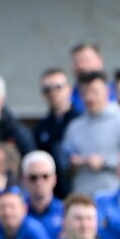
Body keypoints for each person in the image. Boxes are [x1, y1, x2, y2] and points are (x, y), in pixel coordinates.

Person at [62, 71, 120, 197]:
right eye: (85, 93)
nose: (90, 98)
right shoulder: (74, 127)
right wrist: (75, 164)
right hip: (83, 198)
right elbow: (64, 162)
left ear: (107, 92)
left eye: (95, 92)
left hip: (116, 199)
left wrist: (105, 162)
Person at [34, 68, 79, 198]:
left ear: (69, 89)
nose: (53, 93)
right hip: (53, 193)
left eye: (58, 87)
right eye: (47, 89)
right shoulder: (42, 126)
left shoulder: (80, 121)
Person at [20, 150, 64, 239]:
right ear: (24, 180)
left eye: (45, 176)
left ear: (54, 179)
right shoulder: (16, 214)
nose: (39, 182)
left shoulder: (66, 212)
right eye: (33, 177)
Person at [69, 42, 116, 114]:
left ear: (100, 61)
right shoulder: (69, 96)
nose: (81, 66)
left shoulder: (118, 91)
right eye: (77, 62)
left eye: (86, 60)